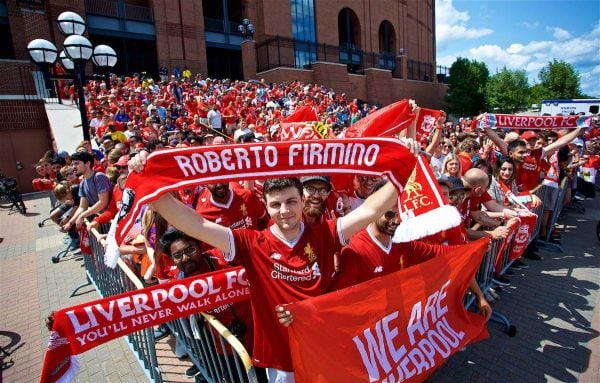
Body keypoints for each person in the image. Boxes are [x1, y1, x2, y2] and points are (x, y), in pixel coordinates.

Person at [132, 139, 421, 382]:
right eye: (275, 204)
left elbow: (370, 210)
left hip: (322, 347)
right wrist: (151, 187)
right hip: (280, 358)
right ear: (266, 205)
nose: (284, 211)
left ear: (302, 199)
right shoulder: (251, 243)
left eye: (291, 201)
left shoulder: (324, 234)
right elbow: (195, 225)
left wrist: (403, 168)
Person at [62, 151, 111, 232]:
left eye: (77, 163)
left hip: (110, 219)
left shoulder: (99, 177)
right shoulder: (82, 183)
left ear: (87, 163)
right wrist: (69, 223)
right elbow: (82, 207)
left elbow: (103, 202)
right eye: (72, 164)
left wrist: (82, 216)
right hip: (102, 221)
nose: (73, 167)